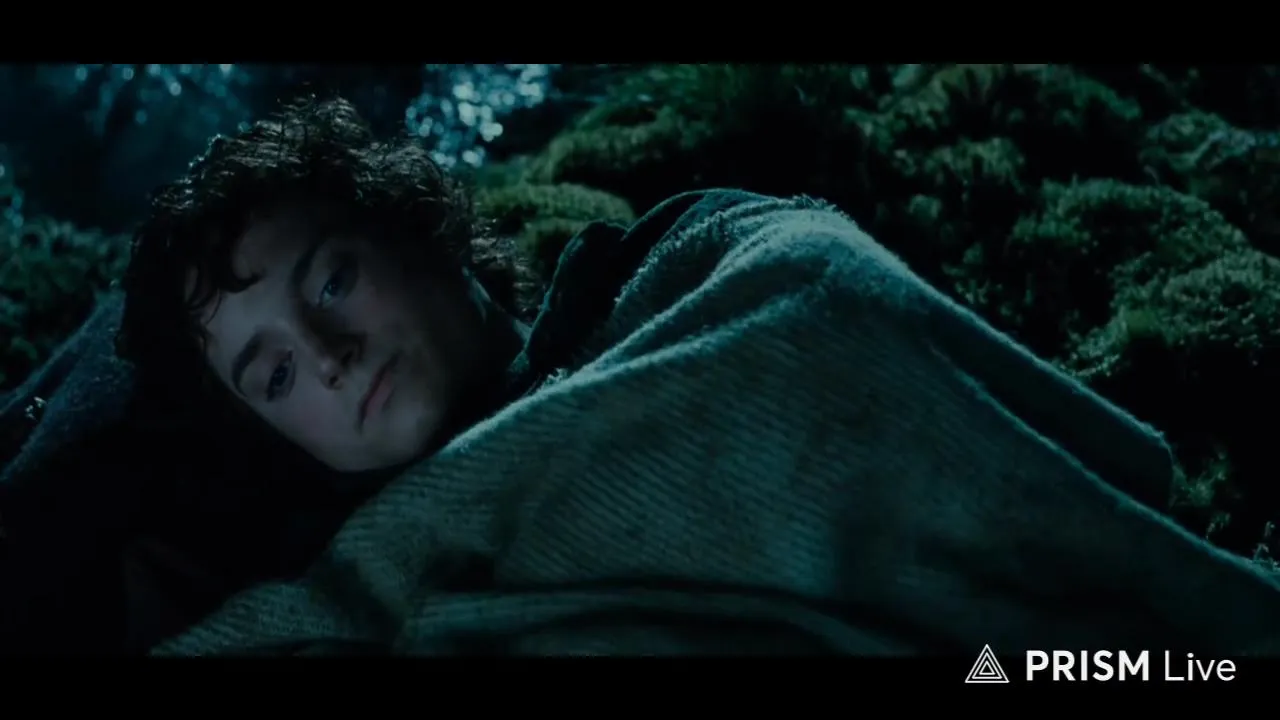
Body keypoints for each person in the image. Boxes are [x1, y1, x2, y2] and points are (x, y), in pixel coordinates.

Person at [10, 95, 1280, 656]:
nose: (330, 361)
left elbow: (830, 324)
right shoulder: (351, 586)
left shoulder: (714, 278)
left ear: (417, 227)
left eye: (331, 280)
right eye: (274, 373)